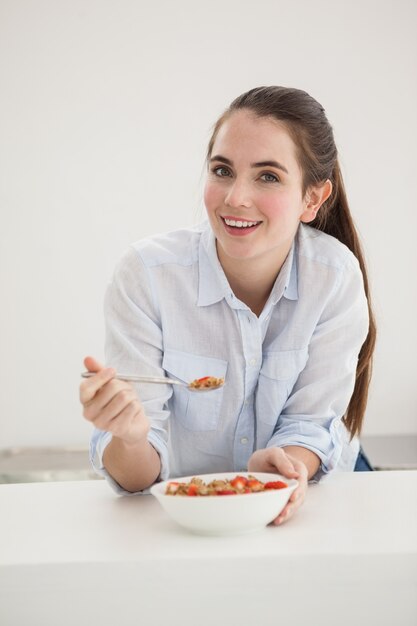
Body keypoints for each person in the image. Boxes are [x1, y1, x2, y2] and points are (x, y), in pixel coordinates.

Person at [79, 86, 376, 525]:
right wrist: (131, 437)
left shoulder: (334, 277)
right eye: (223, 170)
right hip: (194, 512)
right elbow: (138, 479)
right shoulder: (146, 275)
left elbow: (312, 426)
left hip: (314, 489)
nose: (236, 197)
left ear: (312, 198)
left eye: (268, 176)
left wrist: (285, 467)